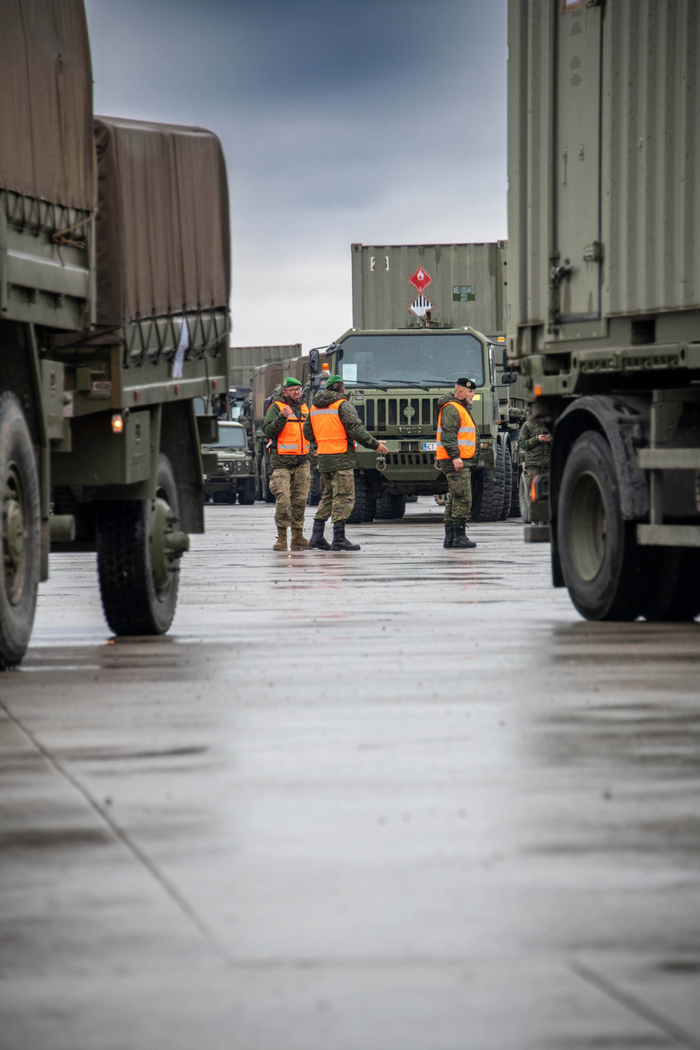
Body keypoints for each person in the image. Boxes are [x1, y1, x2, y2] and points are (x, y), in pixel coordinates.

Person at [303, 374, 388, 551]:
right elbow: (356, 430)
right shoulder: (343, 404)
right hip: (341, 456)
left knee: (327, 495)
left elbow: (308, 434)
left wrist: (324, 440)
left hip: (324, 457)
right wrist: (375, 445)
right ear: (342, 389)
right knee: (344, 496)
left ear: (326, 389)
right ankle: (338, 538)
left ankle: (317, 535)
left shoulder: (314, 407)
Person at [263, 377, 311, 551]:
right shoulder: (276, 407)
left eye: (298, 389)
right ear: (285, 392)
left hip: (302, 462)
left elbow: (311, 431)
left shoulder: (306, 408)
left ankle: (298, 537)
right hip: (282, 463)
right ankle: (282, 538)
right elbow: (268, 431)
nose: (297, 393)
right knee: (283, 500)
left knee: (300, 501)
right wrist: (281, 418)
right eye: (293, 390)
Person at [435, 378, 478, 549]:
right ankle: (459, 536)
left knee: (455, 497)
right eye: (470, 391)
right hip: (455, 460)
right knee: (463, 497)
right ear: (460, 392)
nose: (473, 394)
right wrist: (455, 457)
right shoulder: (452, 409)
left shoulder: (458, 408)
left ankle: (451, 537)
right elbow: (448, 435)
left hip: (457, 459)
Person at [518, 407, 551, 497]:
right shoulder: (528, 425)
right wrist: (537, 439)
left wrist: (550, 439)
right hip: (534, 465)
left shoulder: (550, 425)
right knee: (533, 495)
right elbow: (522, 444)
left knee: (550, 494)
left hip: (549, 465)